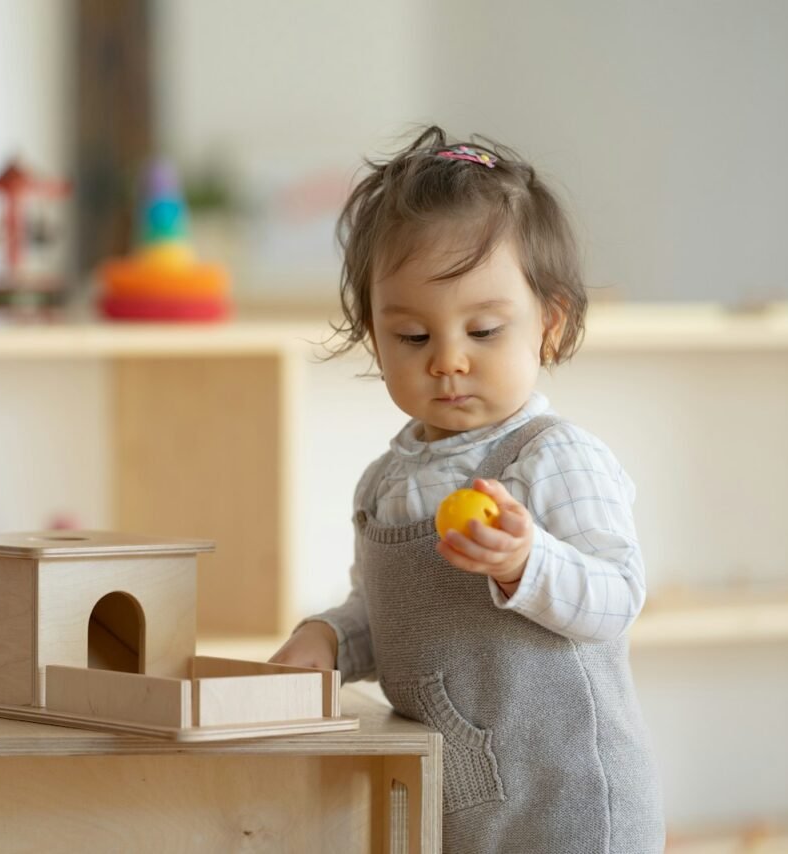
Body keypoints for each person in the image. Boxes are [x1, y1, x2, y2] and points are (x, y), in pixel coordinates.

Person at [269, 125, 664, 853]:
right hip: (458, 805)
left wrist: (526, 561)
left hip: (566, 801)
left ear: (550, 325)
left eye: (483, 330)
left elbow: (616, 597)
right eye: (413, 338)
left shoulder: (551, 459)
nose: (448, 361)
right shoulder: (386, 483)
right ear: (373, 336)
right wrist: (327, 637)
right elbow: (388, 614)